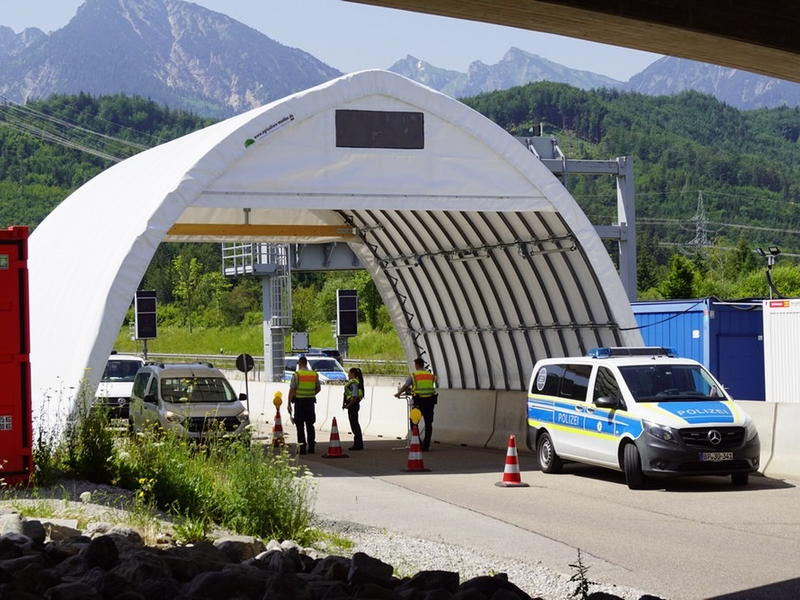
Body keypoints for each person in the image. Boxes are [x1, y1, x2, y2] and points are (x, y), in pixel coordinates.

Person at [394, 357, 438, 451]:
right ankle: (426, 446)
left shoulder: (414, 375)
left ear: (417, 365)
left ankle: (417, 443)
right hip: (430, 401)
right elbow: (431, 386)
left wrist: (399, 393)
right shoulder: (430, 375)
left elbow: (406, 386)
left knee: (413, 422)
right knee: (428, 424)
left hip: (419, 401)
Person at [287, 355, 320, 454]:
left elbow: (292, 391)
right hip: (310, 403)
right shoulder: (314, 374)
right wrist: (310, 394)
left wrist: (289, 403)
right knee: (310, 425)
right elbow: (318, 388)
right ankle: (311, 447)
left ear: (300, 363)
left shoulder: (296, 375)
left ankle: (302, 448)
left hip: (299, 403)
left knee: (300, 426)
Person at [343, 367, 365, 451]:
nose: (348, 375)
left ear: (352, 374)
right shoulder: (356, 382)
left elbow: (354, 396)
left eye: (349, 373)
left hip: (353, 405)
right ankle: (358, 443)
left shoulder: (353, 383)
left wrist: (349, 405)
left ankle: (358, 444)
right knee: (355, 423)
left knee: (354, 424)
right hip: (354, 405)